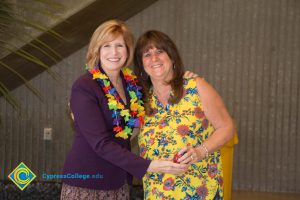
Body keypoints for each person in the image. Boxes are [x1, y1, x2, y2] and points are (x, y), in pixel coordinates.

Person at [61, 20, 189, 200]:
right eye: (106, 46)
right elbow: (101, 143)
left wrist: (185, 78)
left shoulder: (133, 83)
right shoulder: (84, 86)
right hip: (88, 181)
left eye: (119, 45)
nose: (113, 52)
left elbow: (160, 88)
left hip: (119, 179)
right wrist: (150, 165)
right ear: (96, 50)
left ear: (128, 49)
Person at [133, 30, 235, 200]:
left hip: (199, 191)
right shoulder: (140, 100)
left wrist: (200, 151)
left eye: (160, 51)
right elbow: (122, 135)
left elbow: (227, 127)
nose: (154, 59)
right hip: (157, 193)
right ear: (141, 64)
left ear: (172, 56)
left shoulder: (196, 87)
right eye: (147, 54)